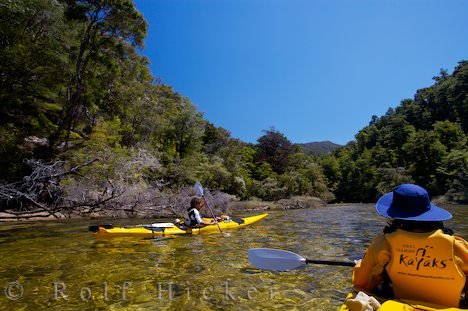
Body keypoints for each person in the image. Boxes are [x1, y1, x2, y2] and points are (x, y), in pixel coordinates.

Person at [351, 183, 467, 308]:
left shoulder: (384, 242)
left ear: (395, 215)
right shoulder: (457, 245)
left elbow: (362, 282)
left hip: (402, 306)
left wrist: (360, 265)